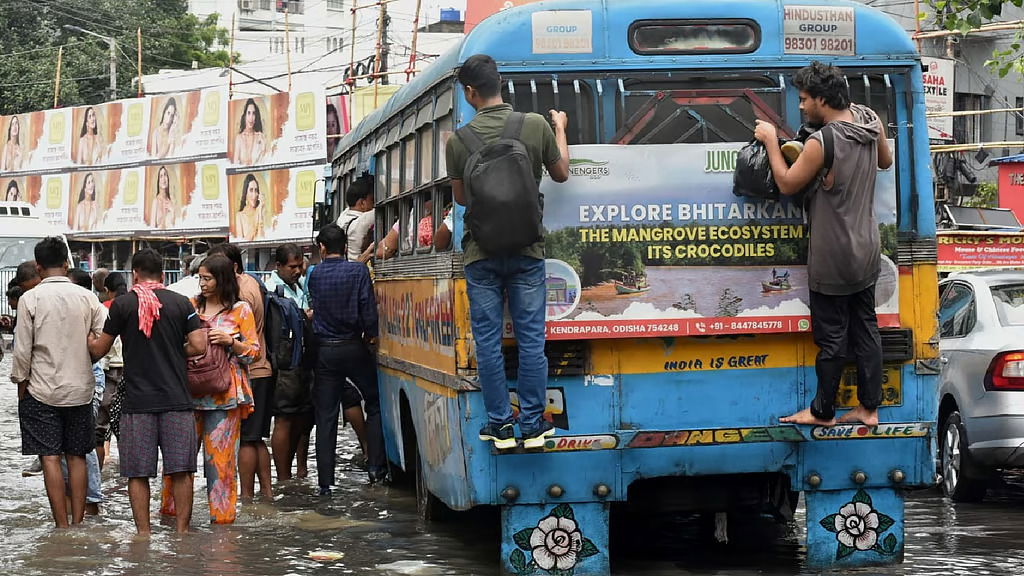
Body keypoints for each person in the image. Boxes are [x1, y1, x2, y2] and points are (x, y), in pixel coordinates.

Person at [752, 61, 893, 428]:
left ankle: (822, 412)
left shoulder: (823, 141)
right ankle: (869, 408)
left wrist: (770, 141)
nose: (800, 106)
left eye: (803, 99)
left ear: (821, 99)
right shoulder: (867, 118)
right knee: (866, 327)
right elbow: (885, 160)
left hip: (833, 254)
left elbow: (786, 183)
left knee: (831, 339)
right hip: (866, 248)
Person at [445, 54, 570, 449]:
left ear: (469, 92)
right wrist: (560, 129)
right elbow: (562, 173)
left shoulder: (459, 141)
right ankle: (533, 425)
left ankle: (499, 425)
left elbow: (462, 199)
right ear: (501, 83)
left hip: (481, 254)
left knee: (488, 341)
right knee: (532, 340)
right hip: (527, 249)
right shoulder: (533, 126)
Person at [88, 249, 205, 533]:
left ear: (135, 275)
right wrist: (175, 353)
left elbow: (99, 350)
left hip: (136, 402)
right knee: (181, 471)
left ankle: (143, 535)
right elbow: (199, 346)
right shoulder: (181, 304)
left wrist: (81, 338)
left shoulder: (122, 305)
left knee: (137, 473)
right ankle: (181, 533)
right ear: (163, 274)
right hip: (176, 400)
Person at [10, 237, 106, 528]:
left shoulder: (30, 299)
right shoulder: (88, 297)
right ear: (66, 263)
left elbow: (22, 350)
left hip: (41, 390)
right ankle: (78, 522)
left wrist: (20, 386)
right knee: (77, 456)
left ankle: (61, 526)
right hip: (80, 389)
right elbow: (103, 339)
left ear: (38, 268)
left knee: (50, 458)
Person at [160, 254, 259, 524]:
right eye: (200, 278)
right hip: (188, 394)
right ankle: (171, 519)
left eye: (208, 278)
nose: (202, 283)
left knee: (222, 464)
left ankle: (223, 523)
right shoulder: (190, 305)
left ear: (222, 279)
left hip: (224, 396)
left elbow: (254, 353)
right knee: (177, 462)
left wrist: (231, 342)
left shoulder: (241, 310)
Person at [307, 223, 385, 493]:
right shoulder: (358, 271)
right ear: (344, 246)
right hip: (354, 346)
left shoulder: (314, 275)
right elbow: (368, 309)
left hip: (326, 351)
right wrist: (372, 336)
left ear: (322, 247)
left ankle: (325, 484)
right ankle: (375, 468)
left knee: (326, 416)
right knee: (374, 403)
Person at [207, 243, 274, 502]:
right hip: (259, 371)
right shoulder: (251, 284)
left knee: (247, 439)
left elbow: (248, 347)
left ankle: (246, 497)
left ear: (231, 268)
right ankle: (265, 494)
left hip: (249, 374)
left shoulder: (240, 298)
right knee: (255, 439)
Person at [265, 243, 314, 481]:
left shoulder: (300, 285)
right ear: (279, 266)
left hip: (303, 360)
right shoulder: (273, 289)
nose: (297, 271)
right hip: (285, 364)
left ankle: (300, 470)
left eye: (299, 266)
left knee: (303, 417)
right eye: (292, 267)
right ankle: (283, 477)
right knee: (284, 418)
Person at [67, 268, 106, 517]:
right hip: (73, 378)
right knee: (76, 449)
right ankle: (79, 504)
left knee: (85, 447)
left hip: (89, 376)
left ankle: (91, 503)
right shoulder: (83, 306)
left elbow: (101, 344)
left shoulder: (92, 307)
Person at [96, 271, 127, 467]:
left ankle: (96, 479)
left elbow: (102, 346)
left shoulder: (105, 308)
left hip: (109, 372)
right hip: (133, 372)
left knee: (99, 429)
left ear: (107, 291)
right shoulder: (135, 305)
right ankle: (130, 477)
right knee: (127, 429)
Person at [336, 176, 376, 262]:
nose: (374, 204)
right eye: (372, 200)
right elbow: (382, 208)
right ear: (362, 203)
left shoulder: (342, 218)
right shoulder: (364, 220)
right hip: (360, 266)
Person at [233, 98, 267, 166]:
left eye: (253, 113)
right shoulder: (239, 138)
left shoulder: (260, 137)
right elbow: (235, 165)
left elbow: (264, 162)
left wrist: (263, 148)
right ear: (245, 115)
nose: (251, 117)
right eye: (248, 113)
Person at [236, 174, 265, 241]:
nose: (254, 195)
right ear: (245, 193)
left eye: (256, 190)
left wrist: (259, 212)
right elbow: (242, 243)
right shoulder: (239, 216)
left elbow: (262, 239)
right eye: (251, 190)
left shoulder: (261, 212)